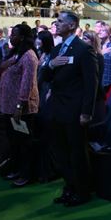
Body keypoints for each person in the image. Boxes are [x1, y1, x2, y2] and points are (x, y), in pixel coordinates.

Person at [43, 11, 98, 207]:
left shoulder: (84, 50)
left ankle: (82, 191)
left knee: (77, 153)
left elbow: (91, 84)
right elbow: (44, 77)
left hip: (74, 111)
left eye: (60, 21)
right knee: (60, 152)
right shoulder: (57, 50)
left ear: (72, 26)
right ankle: (69, 187)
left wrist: (86, 112)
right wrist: (50, 64)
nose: (56, 24)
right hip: (56, 109)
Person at [0, 24, 39, 187]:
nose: (10, 37)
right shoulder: (15, 54)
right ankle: (17, 169)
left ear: (22, 37)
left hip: (21, 109)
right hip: (8, 106)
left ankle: (27, 174)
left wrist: (20, 106)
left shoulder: (29, 56)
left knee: (25, 143)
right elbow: (0, 73)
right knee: (14, 142)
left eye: (13, 34)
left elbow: (27, 83)